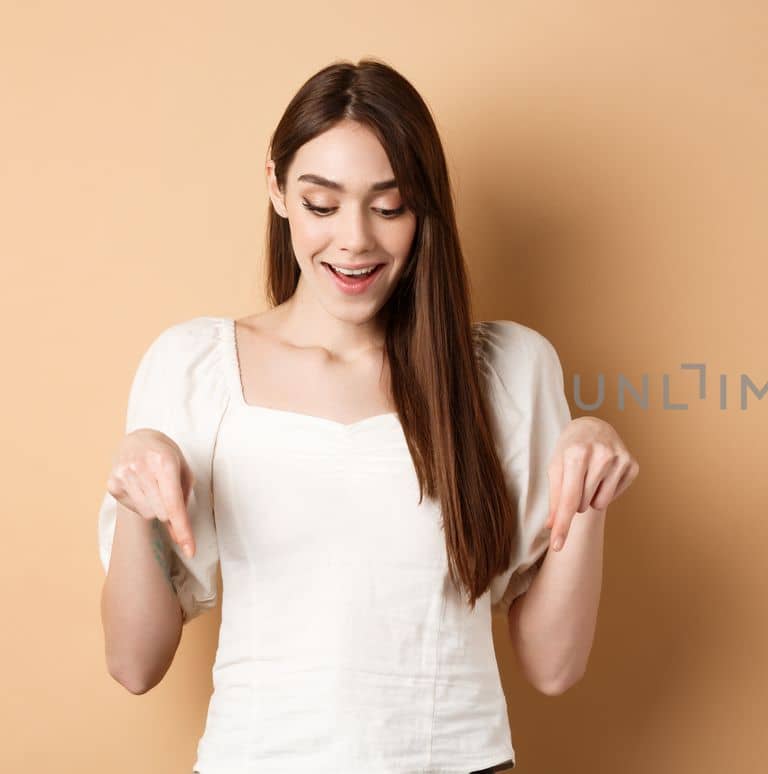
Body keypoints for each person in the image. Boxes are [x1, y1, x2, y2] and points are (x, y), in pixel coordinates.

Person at [96, 58, 639, 773]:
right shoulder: (193, 368)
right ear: (276, 188)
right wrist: (134, 490)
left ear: (426, 209)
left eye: (389, 207)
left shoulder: (506, 371)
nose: (354, 240)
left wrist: (588, 483)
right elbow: (135, 665)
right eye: (322, 204)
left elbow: (553, 666)